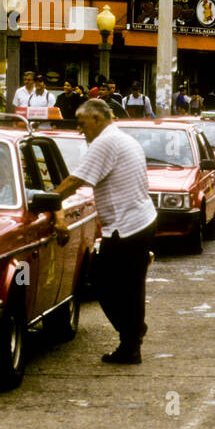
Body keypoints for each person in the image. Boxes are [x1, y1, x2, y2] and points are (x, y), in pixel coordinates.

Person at [51, 98, 158, 364]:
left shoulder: (105, 142)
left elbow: (76, 180)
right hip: (139, 220)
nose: (80, 130)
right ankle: (132, 340)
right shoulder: (122, 139)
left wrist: (48, 200)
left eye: (82, 123)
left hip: (127, 226)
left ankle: (131, 334)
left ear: (97, 119)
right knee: (131, 287)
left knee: (102, 283)